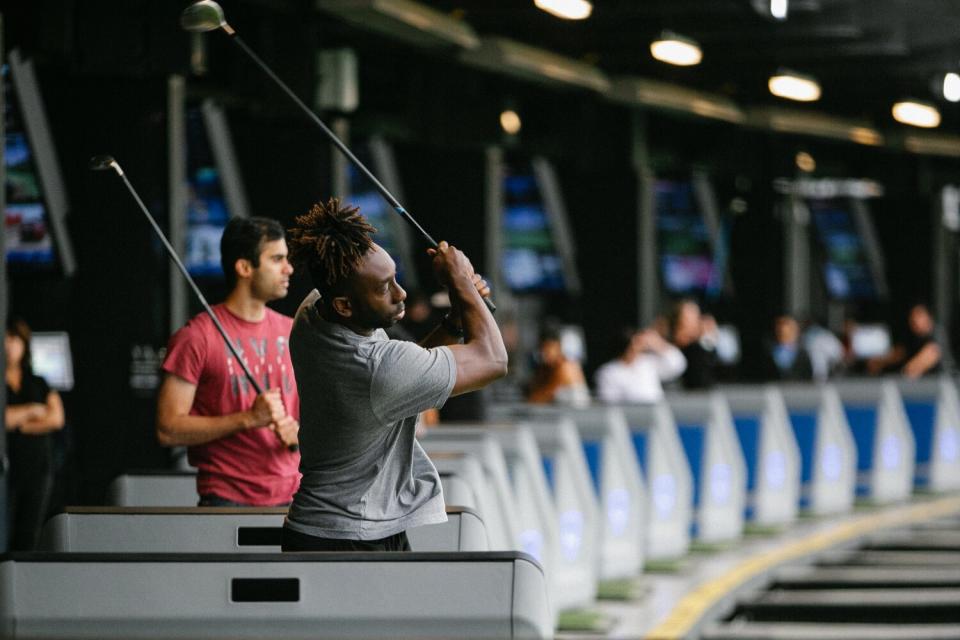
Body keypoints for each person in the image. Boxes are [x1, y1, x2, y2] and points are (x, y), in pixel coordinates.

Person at [281, 198, 506, 552]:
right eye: (384, 287)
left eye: (395, 278)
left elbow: (410, 368)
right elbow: (493, 361)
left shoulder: (311, 313)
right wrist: (461, 281)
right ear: (344, 304)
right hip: (350, 538)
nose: (400, 294)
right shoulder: (375, 367)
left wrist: (456, 320)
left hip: (328, 528)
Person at [157, 217, 301, 507]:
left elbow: (316, 415)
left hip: (296, 498)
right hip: (226, 500)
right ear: (245, 267)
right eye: (277, 259)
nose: (289, 269)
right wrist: (247, 419)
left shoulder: (293, 331)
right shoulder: (197, 336)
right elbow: (168, 429)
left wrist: (301, 431)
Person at [4, 317, 65, 550]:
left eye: (15, 339)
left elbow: (56, 418)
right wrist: (32, 409)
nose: (10, 345)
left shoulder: (37, 382)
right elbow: (4, 420)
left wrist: (21, 426)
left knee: (30, 529)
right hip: (9, 466)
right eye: (6, 338)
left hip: (38, 465)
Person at [595, 325, 686, 404]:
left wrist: (657, 343)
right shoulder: (608, 372)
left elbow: (677, 365)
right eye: (632, 345)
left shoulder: (647, 363)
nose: (636, 348)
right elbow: (609, 402)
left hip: (656, 417)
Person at [867, 303, 942, 378]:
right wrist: (879, 361)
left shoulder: (935, 338)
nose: (914, 320)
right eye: (912, 316)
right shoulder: (914, 337)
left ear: (929, 317)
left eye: (919, 315)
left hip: (941, 386)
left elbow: (912, 371)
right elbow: (899, 353)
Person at [525, 326, 590, 407]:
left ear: (558, 346)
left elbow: (539, 398)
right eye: (542, 348)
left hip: (576, 416)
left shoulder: (565, 367)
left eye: (549, 347)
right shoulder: (546, 368)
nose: (545, 352)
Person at [671, 299, 719, 390]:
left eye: (696, 315)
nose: (697, 320)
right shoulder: (676, 345)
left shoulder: (700, 343)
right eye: (690, 316)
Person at [761, 314, 814, 381]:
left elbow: (808, 375)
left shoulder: (803, 353)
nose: (784, 331)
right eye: (780, 329)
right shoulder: (769, 350)